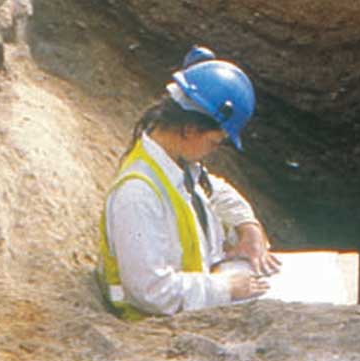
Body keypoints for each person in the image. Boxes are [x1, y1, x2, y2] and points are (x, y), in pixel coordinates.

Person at [98, 48, 281, 319]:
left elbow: (211, 189)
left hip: (191, 309)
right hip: (154, 330)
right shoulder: (137, 197)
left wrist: (247, 225)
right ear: (190, 130)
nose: (213, 151)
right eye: (214, 142)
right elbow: (151, 291)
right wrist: (224, 288)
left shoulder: (175, 162)